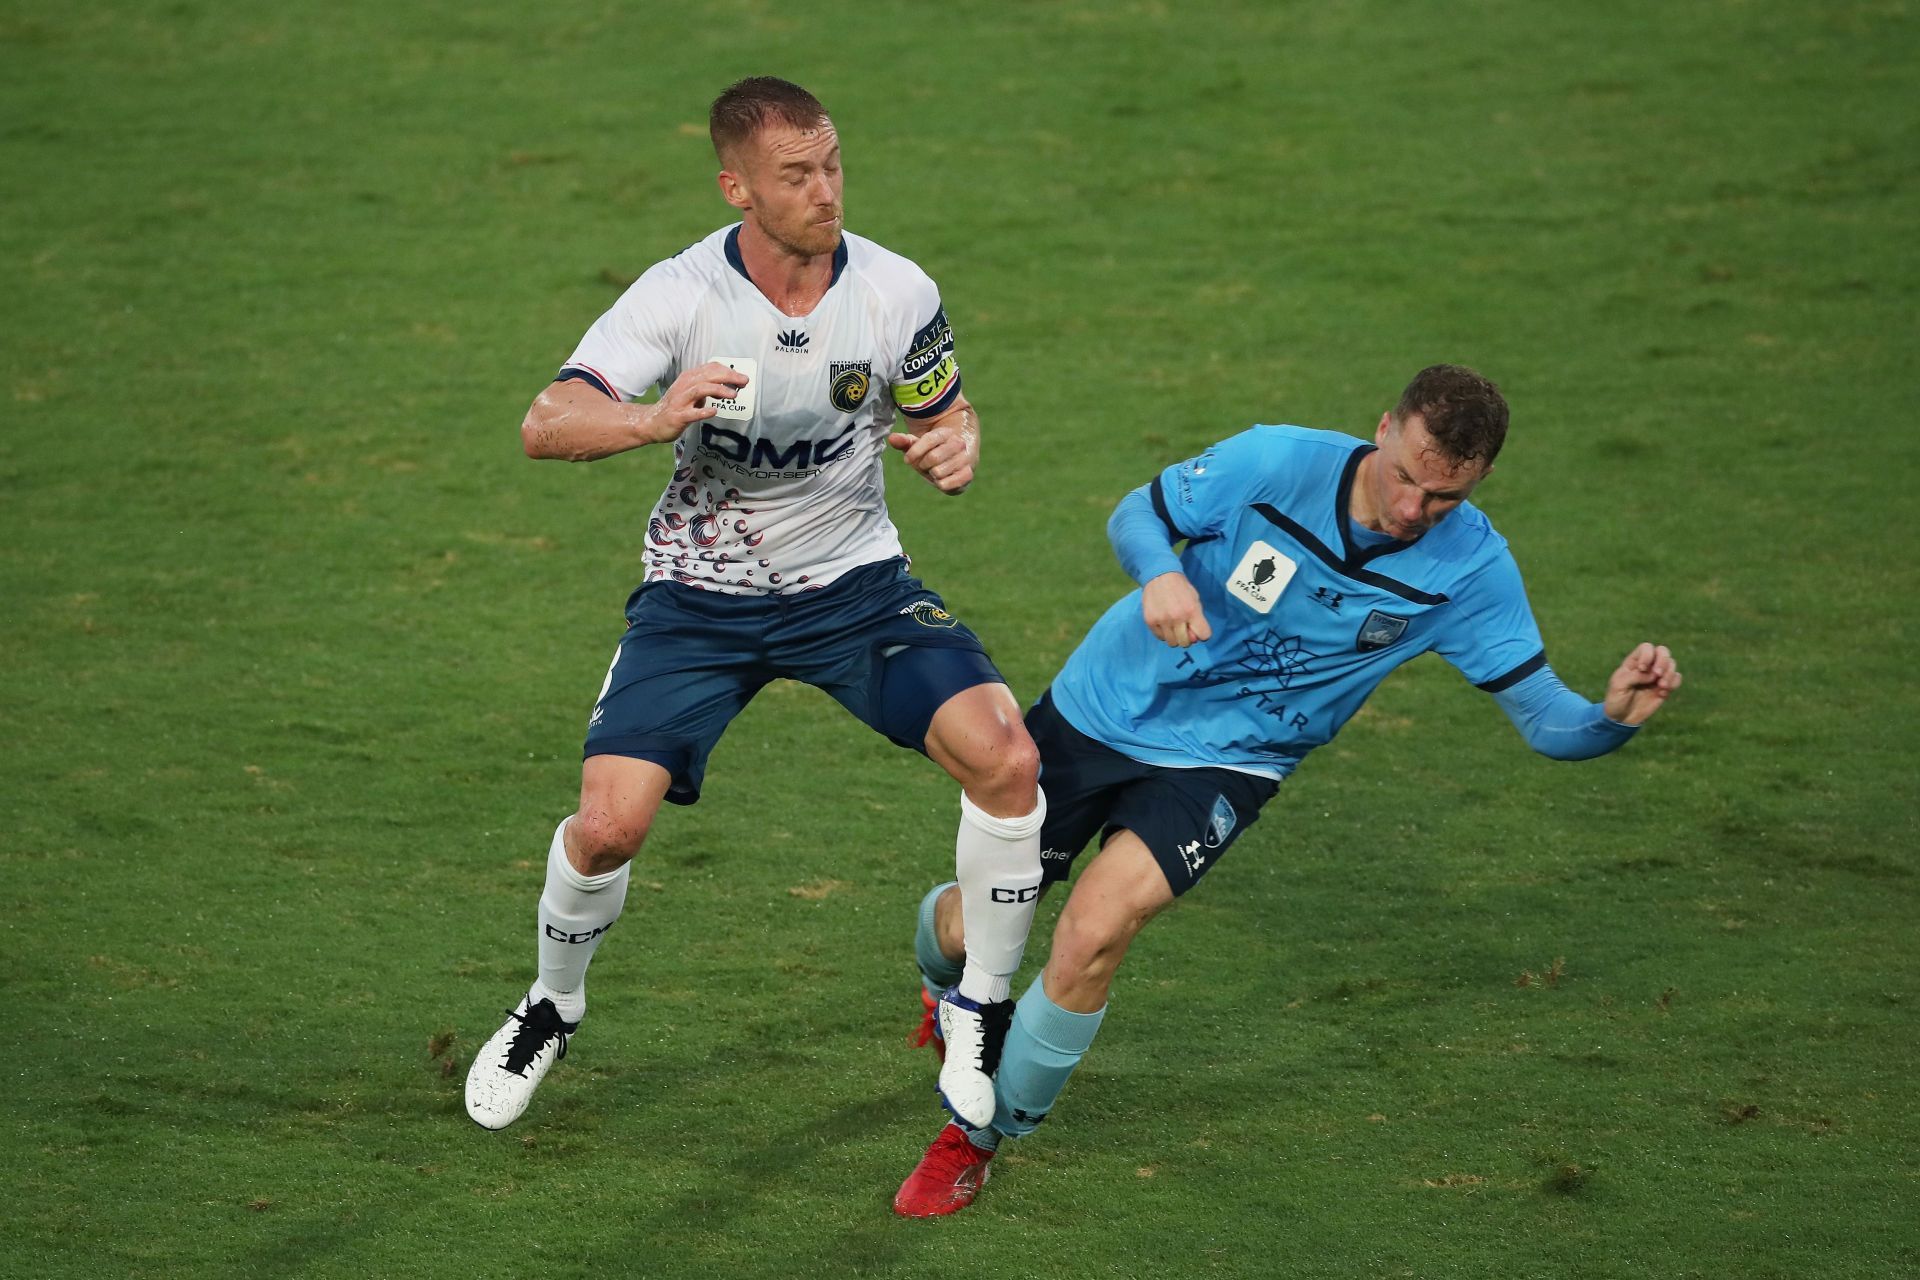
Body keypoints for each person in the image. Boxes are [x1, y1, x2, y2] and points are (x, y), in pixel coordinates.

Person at [891, 364, 1683, 1216]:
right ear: (1384, 428)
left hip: (1231, 762)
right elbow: (1140, 515)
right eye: (1407, 477)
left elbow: (1546, 720)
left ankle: (980, 1136)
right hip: (1102, 707)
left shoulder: (1472, 572)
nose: (1414, 510)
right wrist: (1159, 574)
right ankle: (946, 981)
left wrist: (1611, 719)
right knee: (974, 927)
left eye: (1444, 498)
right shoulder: (1275, 462)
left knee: (1094, 930)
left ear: (1479, 482)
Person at [464, 77, 1046, 1136]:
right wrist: (649, 421)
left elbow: (943, 408)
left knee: (1007, 758)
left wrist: (960, 441)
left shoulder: (897, 289)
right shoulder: (681, 296)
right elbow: (546, 421)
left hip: (852, 585)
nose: (825, 191)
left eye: (832, 165)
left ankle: (982, 1005)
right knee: (604, 829)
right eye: (796, 174)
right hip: (700, 600)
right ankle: (552, 1001)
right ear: (738, 187)